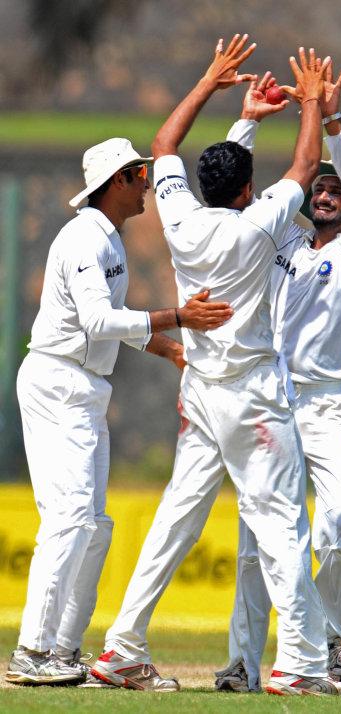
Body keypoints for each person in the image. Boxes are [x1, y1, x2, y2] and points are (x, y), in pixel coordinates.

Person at [90, 35, 341, 697]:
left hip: (202, 391)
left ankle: (122, 646)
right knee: (282, 524)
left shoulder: (180, 216)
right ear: (246, 191)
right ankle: (297, 664)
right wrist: (313, 104)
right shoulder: (253, 227)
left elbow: (163, 142)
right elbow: (307, 164)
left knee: (178, 517)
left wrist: (215, 86)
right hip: (252, 396)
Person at [5, 138, 233, 686]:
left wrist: (170, 349)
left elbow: (114, 321)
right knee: (69, 520)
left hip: (83, 386)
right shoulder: (86, 239)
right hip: (59, 382)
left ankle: (62, 650)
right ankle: (31, 652)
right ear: (116, 183)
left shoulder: (107, 237)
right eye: (138, 175)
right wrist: (178, 317)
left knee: (96, 526)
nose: (147, 184)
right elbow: (98, 323)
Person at [214, 60, 341, 693]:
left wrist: (332, 122)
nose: (324, 195)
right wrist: (249, 122)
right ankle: (241, 661)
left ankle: (335, 644)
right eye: (319, 188)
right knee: (259, 538)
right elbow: (232, 197)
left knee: (339, 525)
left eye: (333, 190)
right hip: (271, 400)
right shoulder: (281, 240)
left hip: (331, 401)